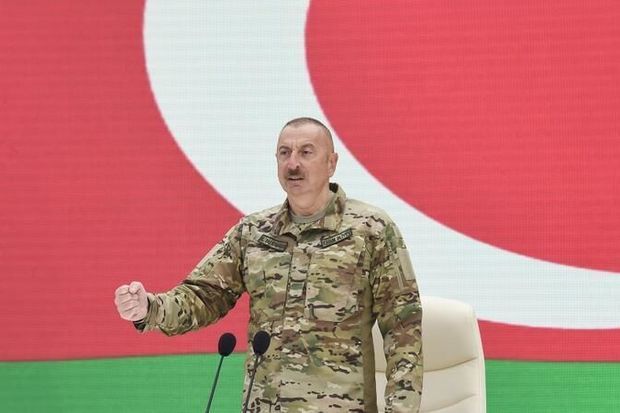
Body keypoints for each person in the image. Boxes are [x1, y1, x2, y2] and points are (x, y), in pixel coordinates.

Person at [114, 117, 423, 412]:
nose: (293, 164)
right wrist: (149, 308)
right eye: (284, 153)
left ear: (331, 163)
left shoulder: (370, 229)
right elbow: (203, 296)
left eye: (306, 152)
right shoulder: (254, 232)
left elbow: (403, 328)